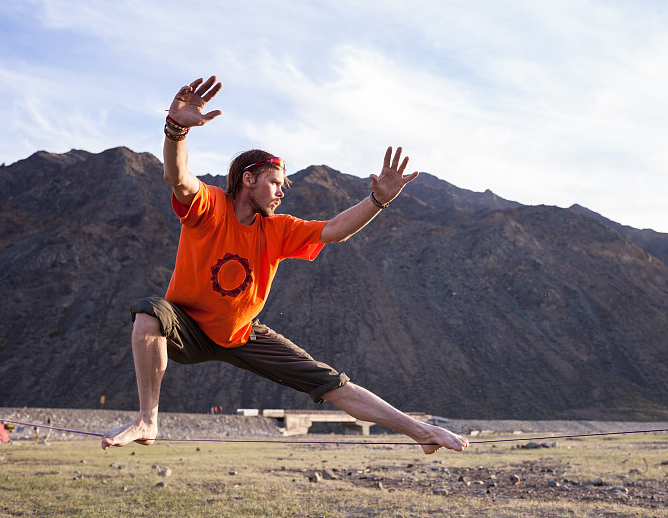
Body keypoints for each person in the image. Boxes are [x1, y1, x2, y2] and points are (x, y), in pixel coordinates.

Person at [101, 76, 469, 454]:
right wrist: (176, 130)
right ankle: (148, 419)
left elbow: (336, 230)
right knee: (148, 313)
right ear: (248, 180)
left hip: (243, 333)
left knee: (330, 382)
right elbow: (177, 178)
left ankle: (420, 432)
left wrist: (377, 200)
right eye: (275, 183)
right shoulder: (210, 206)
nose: (281, 192)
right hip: (188, 327)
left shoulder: (278, 229)